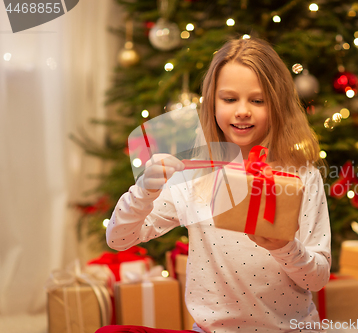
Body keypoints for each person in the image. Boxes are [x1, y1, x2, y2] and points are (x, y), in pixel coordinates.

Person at [99, 36, 331, 333]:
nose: (242, 111)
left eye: (257, 100)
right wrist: (144, 190)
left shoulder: (302, 176)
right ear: (212, 102)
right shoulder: (193, 174)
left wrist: (286, 247)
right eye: (230, 99)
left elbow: (318, 278)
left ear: (278, 104)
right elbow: (118, 239)